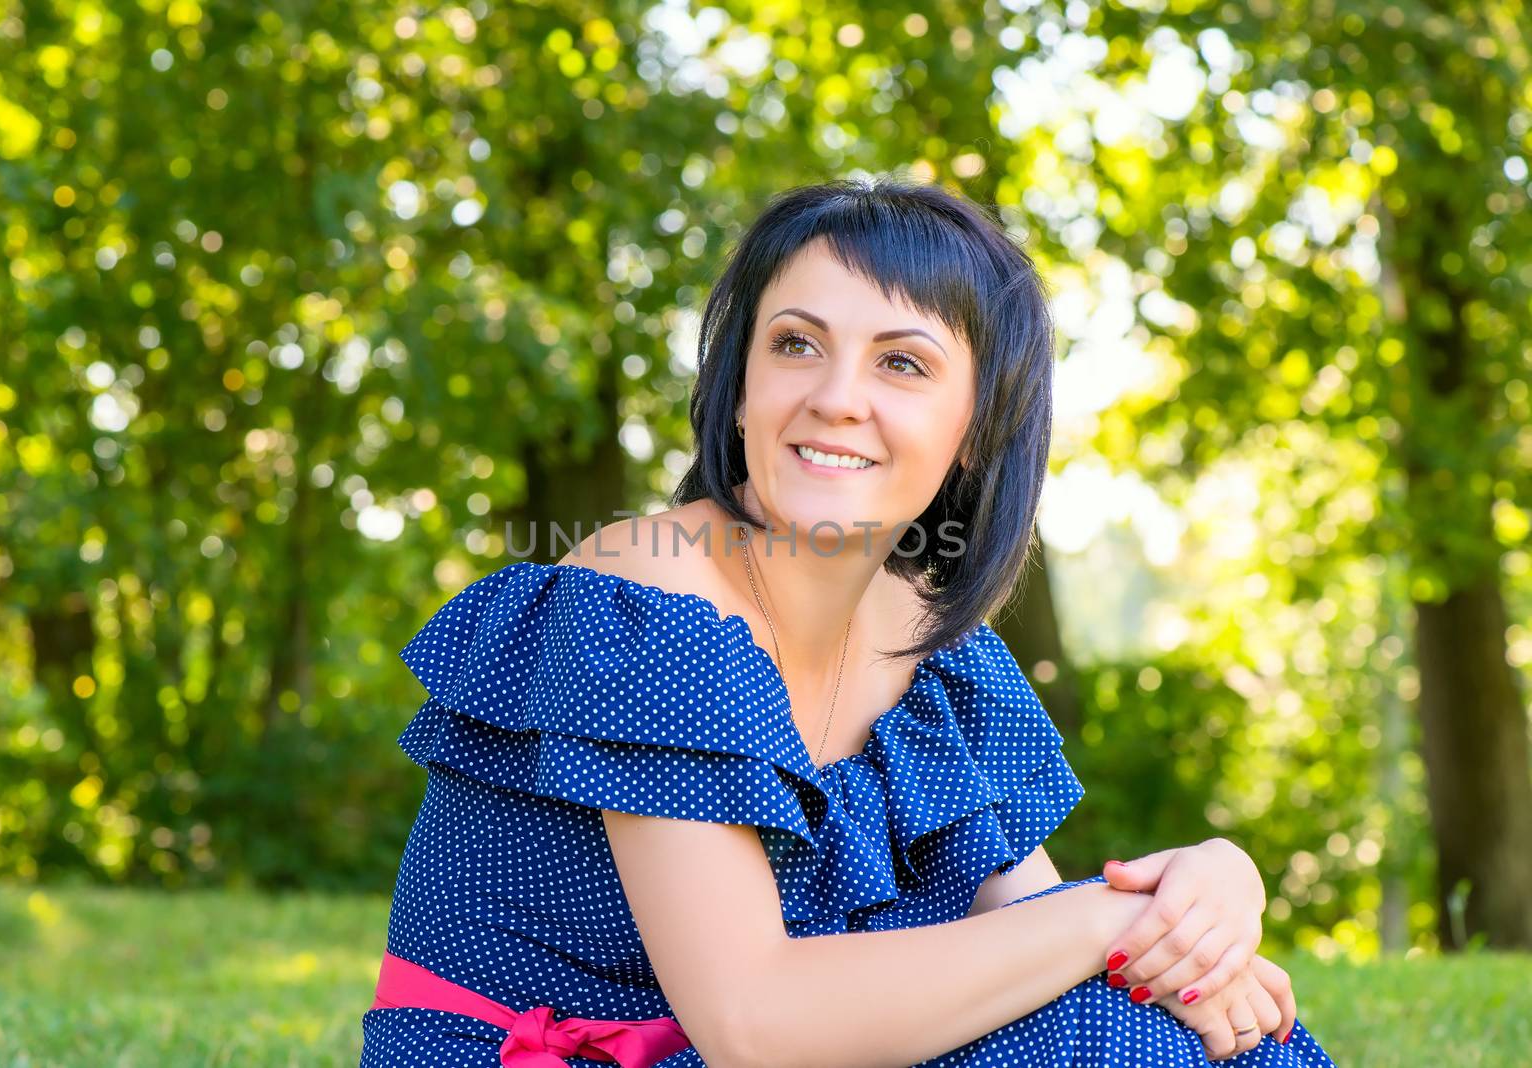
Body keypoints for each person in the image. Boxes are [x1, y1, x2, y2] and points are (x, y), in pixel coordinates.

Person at [361, 178, 1338, 1066]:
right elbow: (754, 1022)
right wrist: (1101, 924)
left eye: (901, 364)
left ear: (975, 430)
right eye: (795, 344)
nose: (834, 399)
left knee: (1216, 1037)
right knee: (1107, 1025)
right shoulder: (647, 594)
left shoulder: (932, 648)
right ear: (739, 388)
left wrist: (1207, 893)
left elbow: (1024, 927)